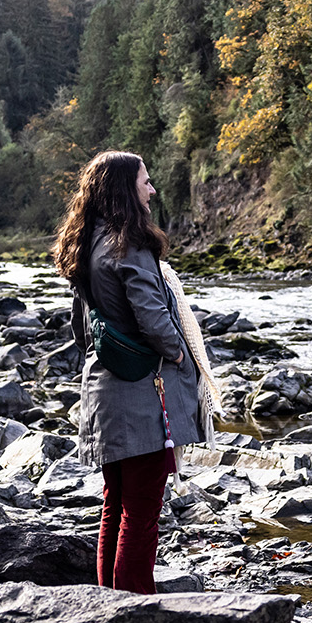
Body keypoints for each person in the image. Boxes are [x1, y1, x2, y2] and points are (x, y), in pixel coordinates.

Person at [53, 151, 216, 593]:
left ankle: (108, 601)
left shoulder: (85, 244)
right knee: (142, 512)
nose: (152, 190)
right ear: (127, 188)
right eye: (146, 181)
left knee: (116, 503)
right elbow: (152, 315)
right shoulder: (130, 244)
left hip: (104, 389)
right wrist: (180, 355)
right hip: (142, 395)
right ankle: (134, 608)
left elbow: (80, 329)